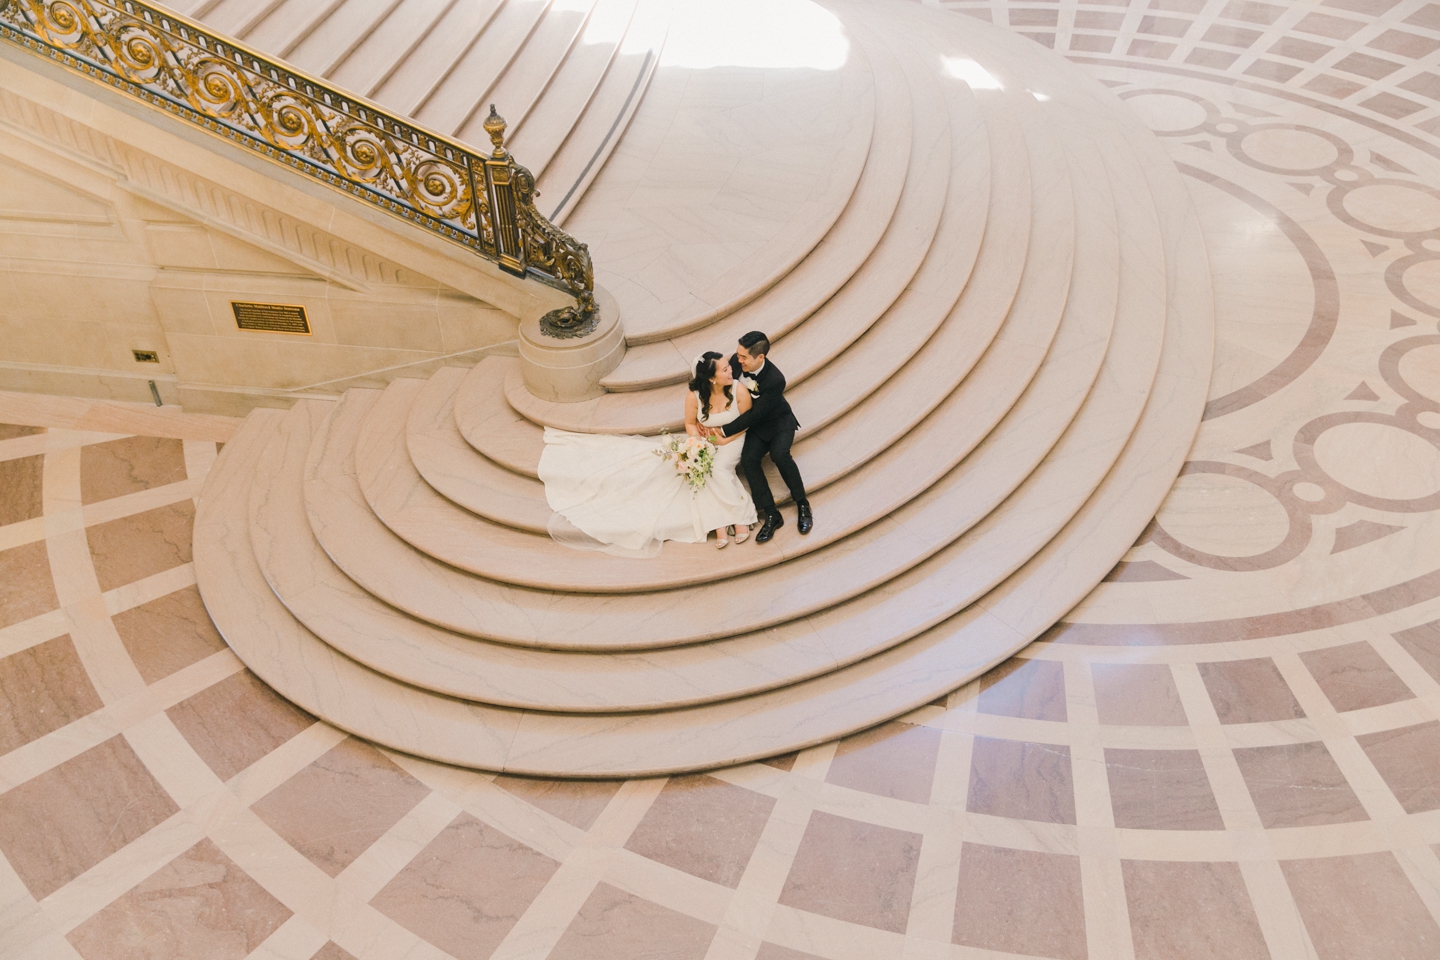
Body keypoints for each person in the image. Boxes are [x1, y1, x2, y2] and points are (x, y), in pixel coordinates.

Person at [537, 352, 757, 556]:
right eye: (725, 369)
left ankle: (738, 517)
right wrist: (699, 443)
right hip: (707, 441)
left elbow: (746, 422)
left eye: (729, 367)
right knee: (705, 471)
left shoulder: (739, 390)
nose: (731, 371)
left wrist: (724, 439)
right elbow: (690, 424)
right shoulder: (695, 396)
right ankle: (726, 520)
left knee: (718, 470)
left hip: (734, 440)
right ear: (711, 378)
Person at [705, 330, 812, 543]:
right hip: (756, 427)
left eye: (744, 357)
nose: (738, 359)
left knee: (780, 455)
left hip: (779, 422)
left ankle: (802, 503)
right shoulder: (738, 360)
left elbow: (755, 414)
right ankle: (772, 513)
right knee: (749, 460)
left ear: (760, 357)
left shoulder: (775, 379)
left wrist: (724, 431)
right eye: (738, 354)